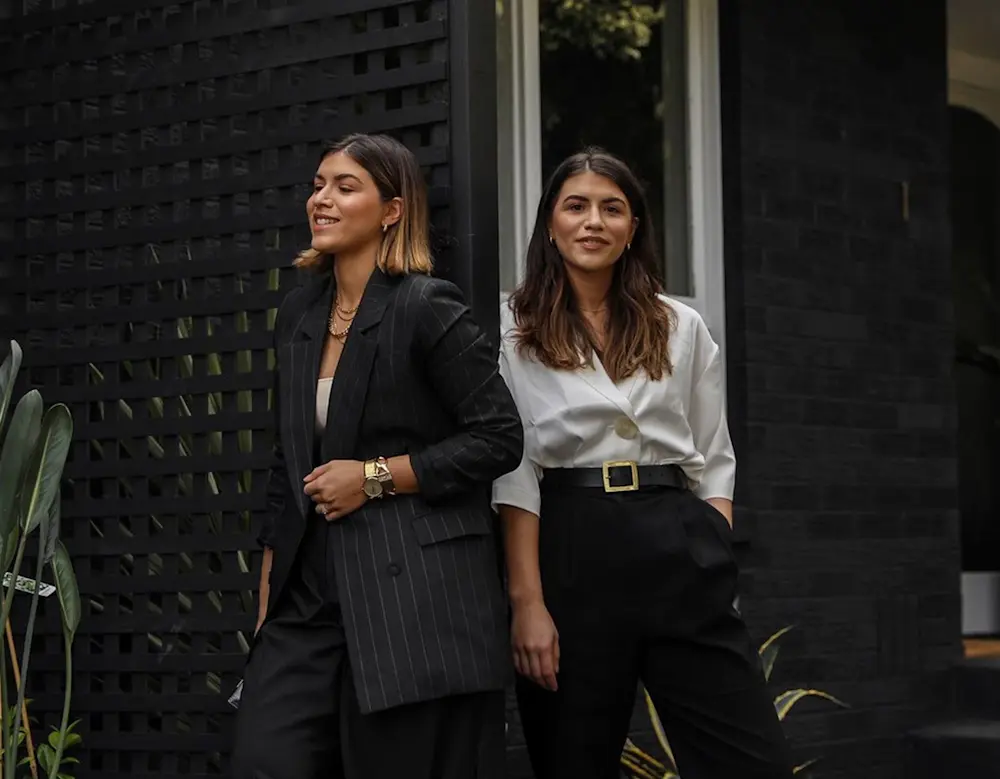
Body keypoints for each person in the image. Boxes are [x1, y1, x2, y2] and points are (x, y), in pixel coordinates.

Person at [493, 148, 793, 779]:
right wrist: (528, 603)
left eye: (612, 208)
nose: (593, 221)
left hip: (677, 543)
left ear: (633, 228)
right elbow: (514, 474)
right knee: (574, 759)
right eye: (575, 206)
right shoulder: (510, 330)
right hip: (571, 548)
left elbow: (714, 454)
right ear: (550, 223)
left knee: (750, 759)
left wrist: (712, 541)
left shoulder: (679, 325)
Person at [231, 133, 524, 779]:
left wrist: (374, 477)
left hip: (407, 603)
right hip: (307, 600)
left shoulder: (424, 305)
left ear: (392, 210)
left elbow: (499, 436)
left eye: (344, 186)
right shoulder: (299, 314)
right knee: (262, 760)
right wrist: (267, 605)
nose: (322, 199)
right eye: (317, 185)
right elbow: (288, 467)